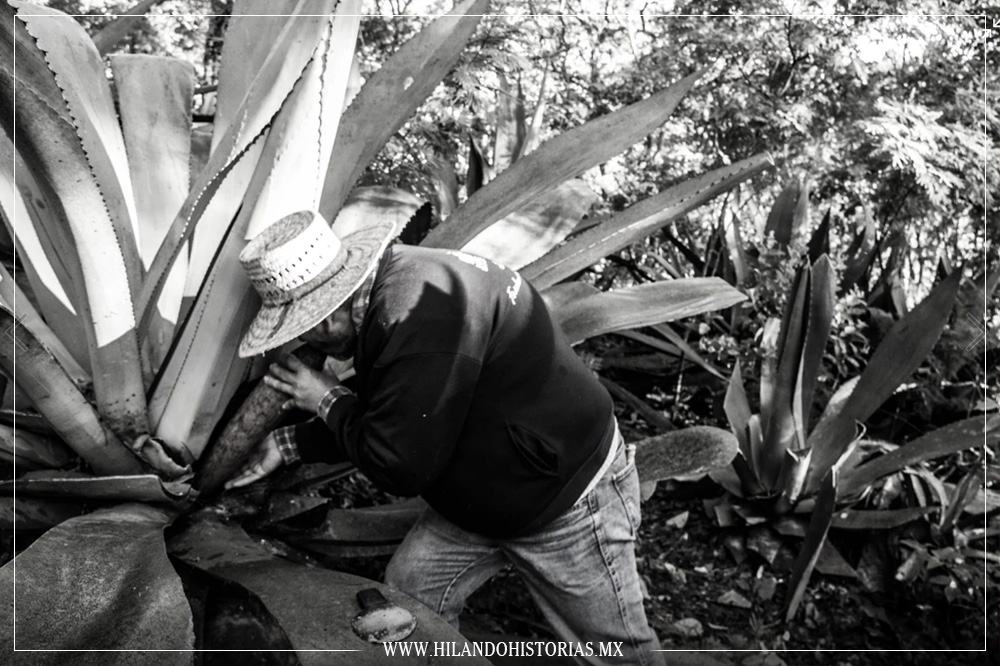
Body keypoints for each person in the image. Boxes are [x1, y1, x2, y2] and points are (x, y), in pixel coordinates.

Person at [227, 209, 664, 665]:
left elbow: (398, 463)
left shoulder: (416, 316)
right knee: (413, 596)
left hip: (566, 502)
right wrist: (288, 444)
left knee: (618, 653)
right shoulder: (402, 282)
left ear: (323, 321)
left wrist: (325, 398)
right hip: (489, 497)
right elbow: (400, 404)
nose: (311, 343)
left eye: (306, 330)